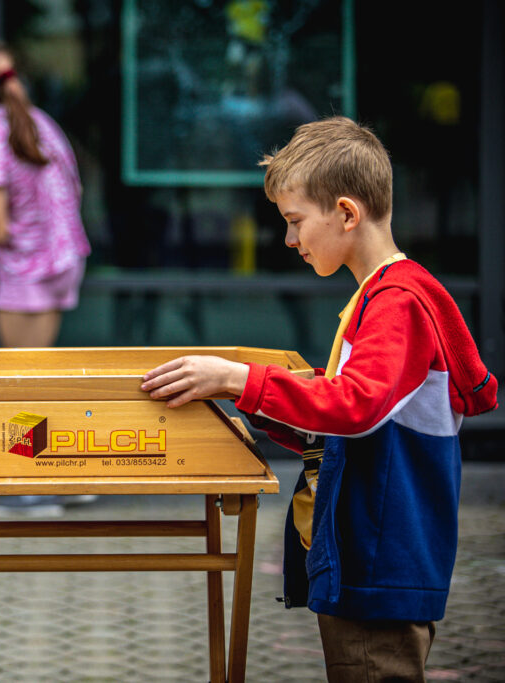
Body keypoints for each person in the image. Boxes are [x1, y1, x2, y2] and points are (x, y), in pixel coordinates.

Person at [140, 116, 498, 681]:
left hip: (376, 568)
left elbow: (353, 406)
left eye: (295, 221)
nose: (288, 240)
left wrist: (239, 380)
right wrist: (251, 394)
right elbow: (345, 420)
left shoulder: (395, 303)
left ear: (347, 214)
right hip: (373, 562)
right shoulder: (383, 296)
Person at [0, 40, 93, 518]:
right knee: (42, 373)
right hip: (63, 257)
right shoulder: (42, 123)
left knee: (20, 382)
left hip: (25, 269)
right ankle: (64, 477)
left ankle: (31, 487)